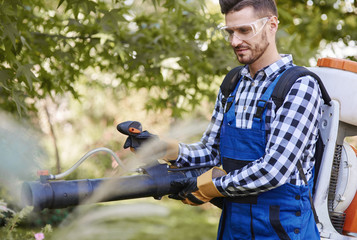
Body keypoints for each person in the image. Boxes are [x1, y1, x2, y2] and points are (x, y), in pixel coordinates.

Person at [120, 0, 322, 239]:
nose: (234, 42)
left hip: (284, 228)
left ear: (272, 25)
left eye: (244, 30)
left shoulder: (299, 86)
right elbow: (212, 152)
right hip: (234, 227)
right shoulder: (233, 84)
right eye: (230, 32)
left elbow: (274, 170)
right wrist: (163, 149)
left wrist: (210, 187)